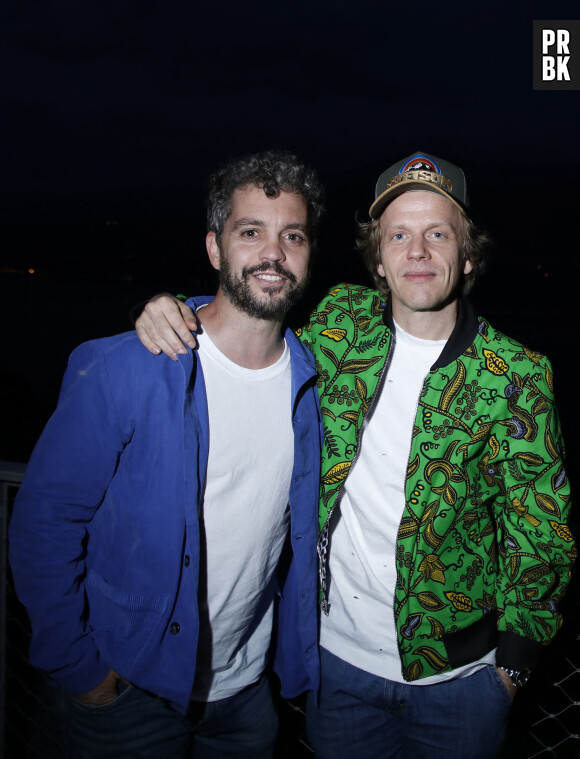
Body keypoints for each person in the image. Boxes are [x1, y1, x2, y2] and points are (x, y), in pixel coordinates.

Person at [133, 151, 576, 758]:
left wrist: (512, 671)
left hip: (460, 686)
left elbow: (541, 533)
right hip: (336, 670)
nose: (417, 250)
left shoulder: (517, 375)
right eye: (398, 234)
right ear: (379, 260)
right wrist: (176, 310)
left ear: (466, 255)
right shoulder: (342, 323)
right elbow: (254, 337)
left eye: (437, 233)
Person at [9, 150, 325, 759]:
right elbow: (43, 524)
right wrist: (81, 671)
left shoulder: (314, 380)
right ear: (214, 248)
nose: (273, 253)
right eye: (250, 232)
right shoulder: (127, 368)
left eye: (293, 235)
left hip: (245, 696)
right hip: (129, 693)